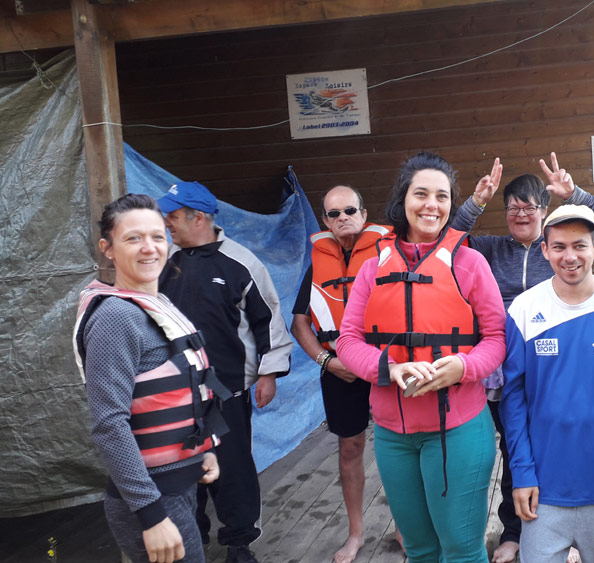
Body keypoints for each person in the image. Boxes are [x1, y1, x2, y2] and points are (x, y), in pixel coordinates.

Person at [452, 154, 594, 563]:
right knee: (515, 445)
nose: (569, 256)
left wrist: (575, 195)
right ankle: (514, 528)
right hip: (516, 359)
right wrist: (476, 202)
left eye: (529, 206)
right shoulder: (494, 251)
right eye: (512, 207)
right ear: (548, 251)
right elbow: (448, 245)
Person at [336, 152, 506, 562]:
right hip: (394, 436)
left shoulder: (470, 262)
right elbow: (348, 340)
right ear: (403, 199)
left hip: (460, 429)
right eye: (422, 193)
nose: (432, 204)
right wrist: (388, 368)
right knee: (418, 549)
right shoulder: (372, 267)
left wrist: (462, 367)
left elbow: (497, 339)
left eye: (442, 196)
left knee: (461, 550)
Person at [72, 193, 227, 563]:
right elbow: (109, 423)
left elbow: (189, 387)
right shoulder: (114, 318)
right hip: (152, 499)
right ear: (107, 249)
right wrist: (151, 514)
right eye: (133, 238)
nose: (149, 248)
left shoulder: (159, 307)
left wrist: (202, 450)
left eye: (157, 237)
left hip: (178, 486)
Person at [500, 205, 594, 563]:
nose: (569, 256)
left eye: (579, 246)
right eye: (559, 246)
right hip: (542, 488)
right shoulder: (523, 309)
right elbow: (512, 400)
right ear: (545, 250)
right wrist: (521, 473)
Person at [157, 182, 294, 563]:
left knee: (232, 470)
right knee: (183, 470)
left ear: (197, 218)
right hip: (175, 393)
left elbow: (269, 321)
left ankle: (239, 543)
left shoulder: (242, 263)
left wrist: (268, 373)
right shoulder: (163, 262)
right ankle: (191, 537)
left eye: (173, 215)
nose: (167, 223)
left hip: (227, 391)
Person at [290, 184, 398, 563]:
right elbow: (300, 324)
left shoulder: (390, 255)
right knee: (349, 448)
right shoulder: (317, 265)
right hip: (338, 369)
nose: (342, 218)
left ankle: (404, 527)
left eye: (349, 210)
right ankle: (356, 533)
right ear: (324, 221)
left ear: (364, 215)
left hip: (385, 365)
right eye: (333, 214)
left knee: (396, 447)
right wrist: (325, 360)